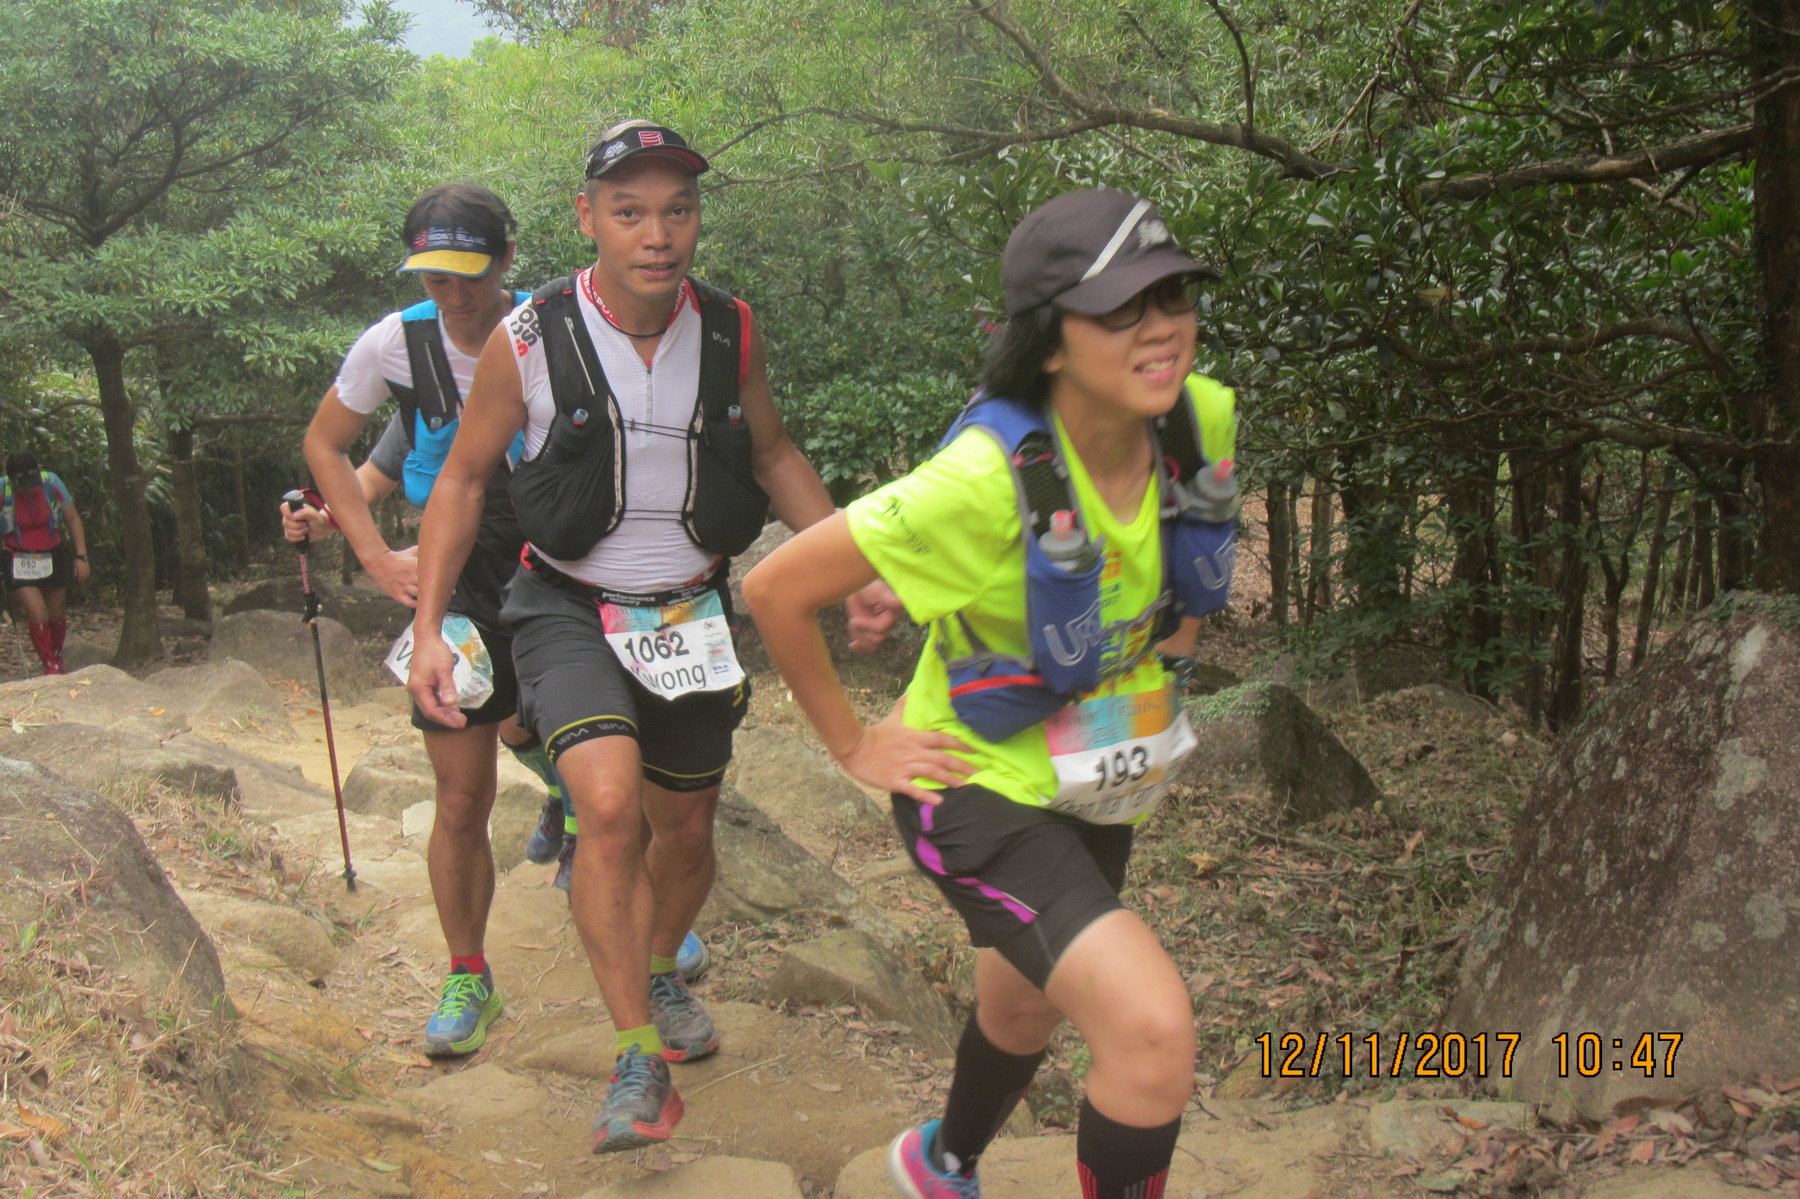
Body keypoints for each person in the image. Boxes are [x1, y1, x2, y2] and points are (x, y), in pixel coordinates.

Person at [406, 119, 893, 1154]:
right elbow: (463, 479)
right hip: (566, 606)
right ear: (587, 219)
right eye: (629, 212)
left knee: (686, 831)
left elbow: (772, 452)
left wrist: (852, 565)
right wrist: (430, 626)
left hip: (688, 614)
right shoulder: (528, 337)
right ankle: (636, 1058)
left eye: (677, 210)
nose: (657, 234)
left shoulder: (730, 331)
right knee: (606, 805)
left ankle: (660, 964)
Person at [743, 188, 1238, 1199]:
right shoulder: (978, 482)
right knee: (1151, 1033)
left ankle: (941, 1163)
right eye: (1120, 308)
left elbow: (1183, 575)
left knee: (1024, 1006)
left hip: (1090, 773)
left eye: (1175, 295)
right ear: (1048, 341)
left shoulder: (1197, 416)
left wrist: (1167, 689)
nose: (1161, 327)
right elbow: (776, 588)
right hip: (971, 787)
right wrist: (854, 744)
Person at [296, 182, 714, 1063]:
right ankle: (468, 973)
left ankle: (647, 941)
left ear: (507, 261)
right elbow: (332, 444)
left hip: (564, 567)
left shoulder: (551, 327)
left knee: (614, 770)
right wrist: (375, 556)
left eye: (470, 274)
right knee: (460, 793)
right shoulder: (396, 343)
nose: (454, 295)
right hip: (463, 575)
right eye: (433, 277)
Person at [1, 452, 90, 675]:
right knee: (38, 614)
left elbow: (73, 518)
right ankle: (50, 664)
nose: (30, 488)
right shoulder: (4, 490)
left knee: (56, 615)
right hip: (18, 558)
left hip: (52, 553)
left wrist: (81, 556)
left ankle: (57, 656)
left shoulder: (51, 482)